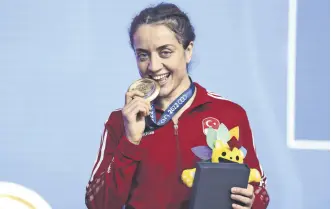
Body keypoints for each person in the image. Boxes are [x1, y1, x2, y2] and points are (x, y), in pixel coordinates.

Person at [85, 3, 269, 209]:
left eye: (165, 52)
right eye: (143, 55)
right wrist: (130, 141)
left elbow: (259, 189)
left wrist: (252, 201)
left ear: (188, 50)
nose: (153, 67)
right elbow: (97, 204)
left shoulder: (229, 114)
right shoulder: (121, 120)